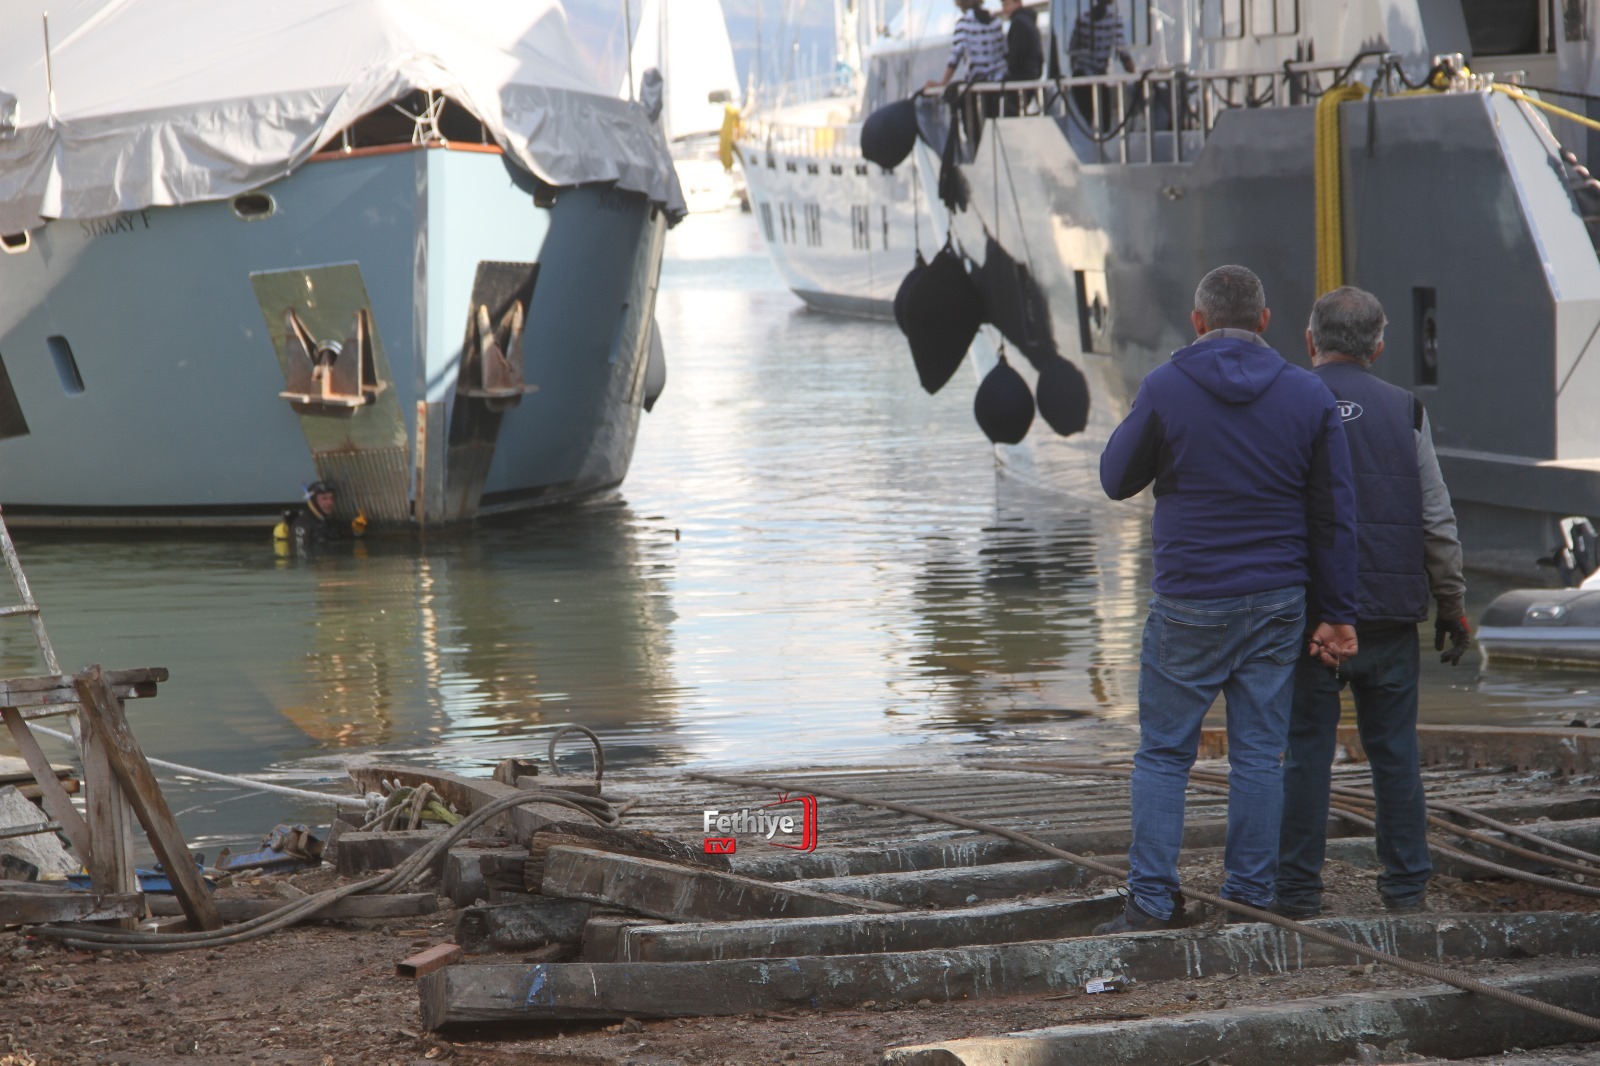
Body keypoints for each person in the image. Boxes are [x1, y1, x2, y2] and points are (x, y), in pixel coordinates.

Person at [1094, 265, 1360, 933]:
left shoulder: (1166, 386)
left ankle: (1152, 904)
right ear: (1267, 321)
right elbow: (1335, 515)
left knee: (1163, 754)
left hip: (1191, 598)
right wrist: (1337, 613)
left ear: (1199, 321)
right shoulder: (1307, 394)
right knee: (1258, 754)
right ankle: (1248, 898)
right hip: (1277, 600)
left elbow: (1115, 479)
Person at [1275, 287, 1470, 919]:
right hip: (1390, 613)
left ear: (1310, 341)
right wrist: (1452, 605)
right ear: (1380, 347)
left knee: (1306, 751)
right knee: (1394, 751)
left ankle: (1299, 892)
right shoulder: (1406, 410)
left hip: (1310, 619)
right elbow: (1437, 520)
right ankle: (1406, 888)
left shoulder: (1284, 399)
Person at [1067, 0, 1135, 131]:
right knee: (1103, 124)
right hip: (1095, 76)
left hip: (1082, 77)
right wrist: (1135, 72)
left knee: (1090, 123)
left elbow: (1072, 50)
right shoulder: (1114, 19)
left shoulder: (1083, 19)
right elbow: (1123, 51)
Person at [924, 0, 1008, 92]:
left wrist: (943, 83)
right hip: (1000, 81)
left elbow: (954, 58)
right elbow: (1004, 52)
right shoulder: (995, 21)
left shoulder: (964, 23)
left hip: (978, 83)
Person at [274, 480, 367, 553]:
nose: (330, 503)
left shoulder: (331, 522)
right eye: (324, 498)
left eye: (331, 498)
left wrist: (357, 530)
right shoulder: (302, 524)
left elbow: (350, 539)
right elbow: (301, 553)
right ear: (313, 501)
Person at [1000, 0, 1043, 115]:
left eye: (1006, 4)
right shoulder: (1030, 22)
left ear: (1017, 3)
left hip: (1020, 81)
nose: (1004, 9)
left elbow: (1016, 56)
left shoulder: (1018, 23)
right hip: (1032, 78)